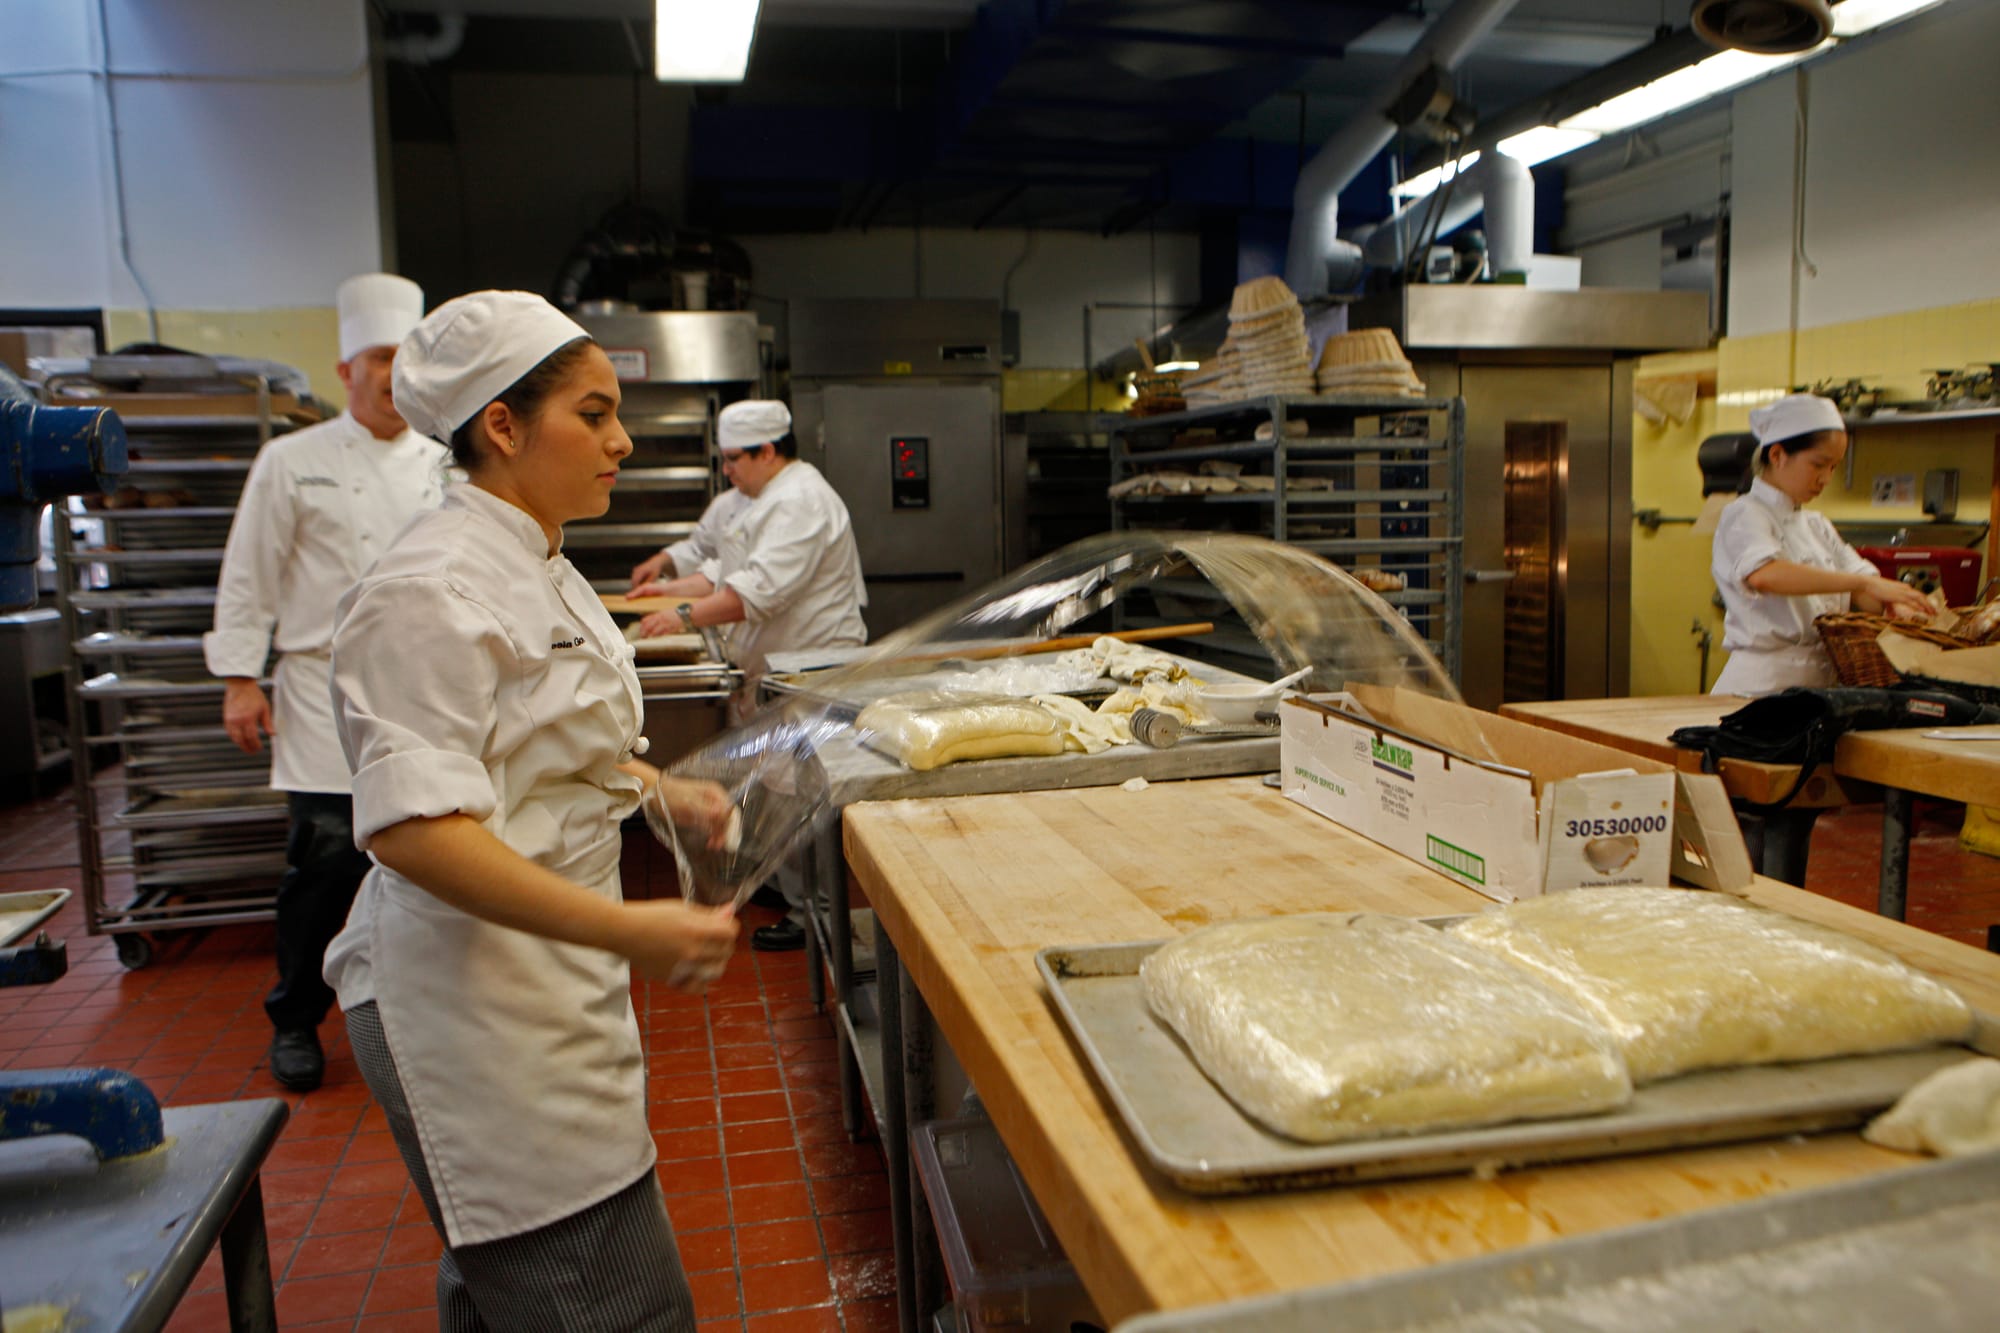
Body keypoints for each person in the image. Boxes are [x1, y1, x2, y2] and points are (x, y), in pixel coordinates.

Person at [326, 289, 740, 1327]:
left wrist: (660, 790)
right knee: (604, 1302)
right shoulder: (428, 586)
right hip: (470, 999)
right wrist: (628, 928)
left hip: (543, 974)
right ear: (502, 427)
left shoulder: (537, 558)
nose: (621, 438)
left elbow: (544, 747)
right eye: (592, 414)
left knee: (514, 1294)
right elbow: (416, 829)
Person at [204, 273, 442, 1091]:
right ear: (345, 369)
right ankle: (297, 1017)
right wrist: (240, 676)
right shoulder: (289, 461)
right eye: (378, 356)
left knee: (431, 858)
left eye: (405, 356)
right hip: (321, 690)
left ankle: (419, 1017)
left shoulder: (449, 462)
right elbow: (249, 575)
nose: (391, 372)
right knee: (327, 861)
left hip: (428, 690)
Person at [628, 399, 867, 951]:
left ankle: (817, 920)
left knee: (800, 795)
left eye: (735, 458)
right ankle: (790, 895)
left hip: (811, 669)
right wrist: (665, 577)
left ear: (768, 451)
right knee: (772, 789)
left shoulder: (802, 502)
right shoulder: (749, 497)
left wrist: (680, 614)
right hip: (768, 668)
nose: (727, 469)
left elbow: (756, 591)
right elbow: (714, 564)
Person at [1710, 392, 1933, 696]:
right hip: (1759, 688)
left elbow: (1863, 589)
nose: (1826, 478)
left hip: (1821, 685)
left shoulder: (1817, 525)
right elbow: (1766, 574)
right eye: (1819, 464)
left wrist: (1896, 604)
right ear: (1777, 455)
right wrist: (1865, 585)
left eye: (1834, 467)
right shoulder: (1744, 513)